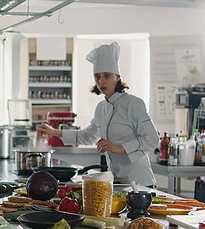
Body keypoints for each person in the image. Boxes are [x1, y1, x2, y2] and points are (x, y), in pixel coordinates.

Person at [37, 42, 159, 187]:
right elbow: (88, 136)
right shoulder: (101, 108)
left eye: (107, 76)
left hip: (140, 182)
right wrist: (53, 132)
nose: (101, 81)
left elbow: (152, 140)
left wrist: (120, 148)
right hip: (117, 181)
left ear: (117, 76)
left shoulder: (133, 103)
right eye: (97, 77)